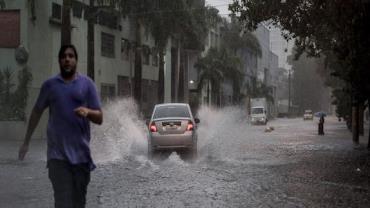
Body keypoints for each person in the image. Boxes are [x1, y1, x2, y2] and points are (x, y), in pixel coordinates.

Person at [18, 44, 103, 208]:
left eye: (71, 56)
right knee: (62, 202)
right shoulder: (50, 86)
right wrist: (26, 142)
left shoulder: (87, 85)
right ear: (59, 61)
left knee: (78, 203)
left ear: (76, 61)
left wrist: (88, 112)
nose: (67, 59)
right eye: (64, 56)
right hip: (57, 158)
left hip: (81, 158)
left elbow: (99, 118)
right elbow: (36, 112)